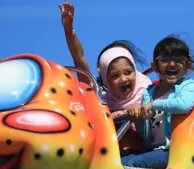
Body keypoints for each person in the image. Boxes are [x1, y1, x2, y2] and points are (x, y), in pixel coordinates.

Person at [59, 2, 152, 155]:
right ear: (105, 77)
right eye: (115, 75)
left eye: (128, 72)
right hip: (111, 156)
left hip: (144, 153)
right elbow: (79, 58)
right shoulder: (101, 99)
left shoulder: (147, 89)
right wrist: (69, 31)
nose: (123, 79)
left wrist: (132, 112)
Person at [122, 35, 194, 169]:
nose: (171, 64)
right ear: (155, 66)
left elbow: (183, 105)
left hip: (175, 151)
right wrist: (137, 116)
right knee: (118, 162)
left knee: (133, 165)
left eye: (179, 60)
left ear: (188, 66)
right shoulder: (149, 92)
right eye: (165, 60)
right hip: (152, 150)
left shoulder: (189, 85)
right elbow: (145, 132)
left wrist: (153, 105)